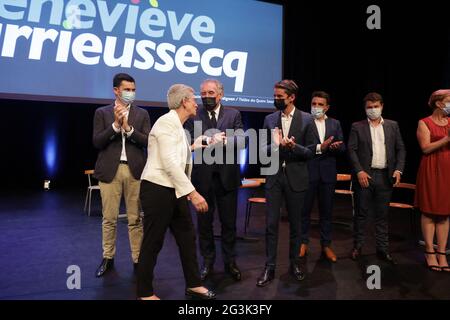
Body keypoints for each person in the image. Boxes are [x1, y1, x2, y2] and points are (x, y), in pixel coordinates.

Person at [137, 84, 216, 300]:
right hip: (157, 189)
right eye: (193, 99)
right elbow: (170, 163)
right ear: (183, 102)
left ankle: (193, 284)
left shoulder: (179, 127)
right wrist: (193, 193)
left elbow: (175, 153)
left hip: (174, 190)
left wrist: (194, 146)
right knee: (153, 241)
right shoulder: (165, 123)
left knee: (187, 238)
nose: (196, 103)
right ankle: (144, 293)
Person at [184, 79, 245, 281]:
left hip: (227, 178)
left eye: (210, 92)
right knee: (204, 223)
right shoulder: (194, 114)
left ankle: (230, 262)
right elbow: (190, 140)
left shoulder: (233, 114)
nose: (206, 96)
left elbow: (242, 140)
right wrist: (209, 140)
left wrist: (225, 140)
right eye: (203, 93)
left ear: (220, 95)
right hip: (203, 179)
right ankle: (207, 261)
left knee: (229, 224)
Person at [93, 73, 151, 277]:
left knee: (135, 219)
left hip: (135, 170)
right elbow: (97, 142)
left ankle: (138, 260)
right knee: (109, 218)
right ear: (116, 90)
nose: (131, 93)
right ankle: (108, 258)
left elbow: (146, 141)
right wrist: (115, 126)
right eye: (127, 89)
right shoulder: (102, 112)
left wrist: (128, 128)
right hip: (110, 171)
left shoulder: (142, 114)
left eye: (133, 90)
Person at [257, 79, 313, 287]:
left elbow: (310, 152)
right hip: (273, 178)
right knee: (271, 225)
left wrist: (293, 147)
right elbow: (262, 151)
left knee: (296, 225)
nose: (276, 100)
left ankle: (295, 264)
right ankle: (269, 267)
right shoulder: (269, 119)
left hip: (296, 178)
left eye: (280, 97)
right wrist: (276, 146)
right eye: (275, 97)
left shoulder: (307, 120)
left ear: (291, 97)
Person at [348, 92, 406, 265]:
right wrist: (359, 171)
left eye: (375, 106)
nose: (373, 110)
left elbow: (401, 149)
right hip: (365, 177)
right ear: (365, 108)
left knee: (382, 215)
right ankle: (358, 246)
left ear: (381, 106)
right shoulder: (357, 126)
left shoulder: (392, 125)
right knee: (361, 214)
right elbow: (351, 150)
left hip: (385, 176)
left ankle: (383, 249)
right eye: (369, 107)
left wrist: (398, 170)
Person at [301, 91, 345, 262]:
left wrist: (335, 147)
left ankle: (326, 245)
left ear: (327, 107)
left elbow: (343, 147)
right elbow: (300, 147)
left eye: (320, 104)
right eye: (314, 104)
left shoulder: (335, 123)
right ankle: (303, 243)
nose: (316, 107)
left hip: (327, 173)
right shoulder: (304, 122)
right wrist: (321, 146)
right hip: (308, 171)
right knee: (304, 211)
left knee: (326, 212)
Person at [415, 89, 450, 272]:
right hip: (431, 169)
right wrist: (446, 139)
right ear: (439, 103)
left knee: (444, 213)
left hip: (448, 171)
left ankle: (442, 253)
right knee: (429, 211)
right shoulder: (424, 123)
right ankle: (429, 251)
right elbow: (426, 148)